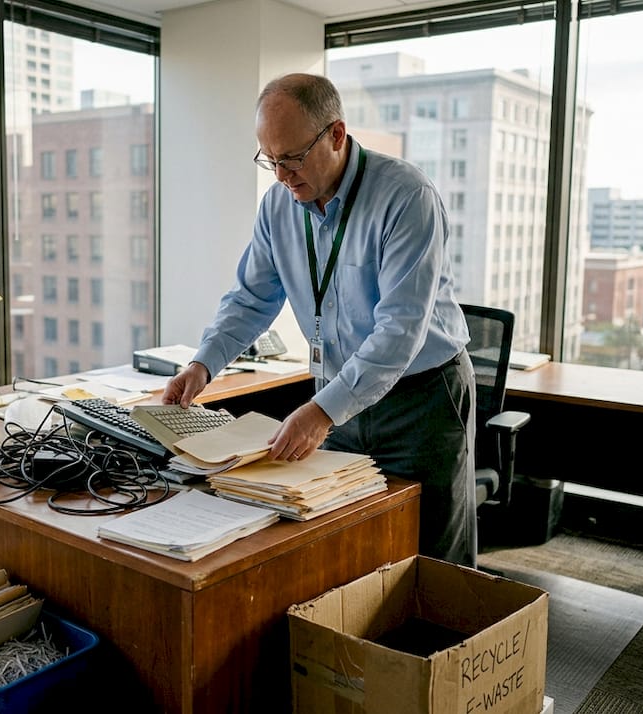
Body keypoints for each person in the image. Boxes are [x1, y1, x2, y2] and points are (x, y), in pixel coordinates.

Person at [162, 72, 478, 566]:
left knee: (433, 554)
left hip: (422, 401)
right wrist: (203, 365)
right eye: (270, 160)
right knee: (350, 542)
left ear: (335, 135)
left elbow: (399, 329)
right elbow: (250, 297)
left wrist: (322, 411)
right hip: (339, 397)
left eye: (291, 158)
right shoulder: (278, 207)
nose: (282, 175)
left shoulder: (405, 197)